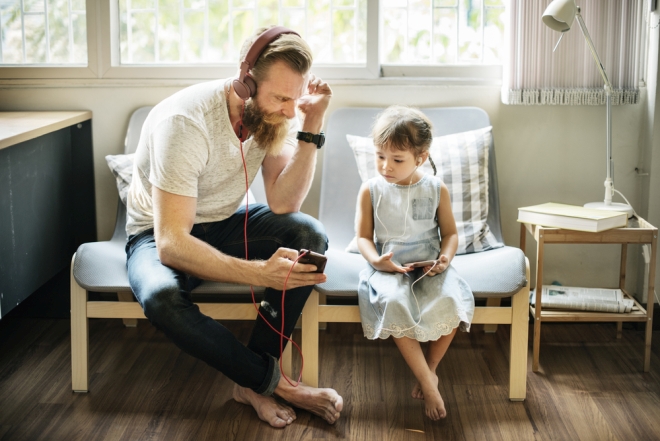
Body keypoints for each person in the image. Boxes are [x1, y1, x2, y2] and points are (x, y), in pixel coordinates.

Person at [124, 26, 342, 428]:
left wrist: (312, 124)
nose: (289, 110)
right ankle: (270, 382)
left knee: (308, 234)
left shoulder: (273, 115)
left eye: (295, 99)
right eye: (280, 98)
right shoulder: (185, 123)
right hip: (157, 235)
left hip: (225, 221)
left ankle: (252, 382)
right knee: (161, 298)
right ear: (246, 83)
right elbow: (172, 244)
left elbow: (283, 202)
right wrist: (260, 273)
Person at [355, 105, 475, 420]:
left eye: (396, 159)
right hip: (389, 264)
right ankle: (427, 383)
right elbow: (363, 238)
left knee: (453, 299)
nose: (385, 166)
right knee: (393, 300)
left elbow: (449, 234)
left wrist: (445, 259)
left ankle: (430, 370)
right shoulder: (370, 190)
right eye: (379, 156)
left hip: (430, 262)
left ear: (420, 158)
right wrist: (377, 262)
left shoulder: (436, 189)